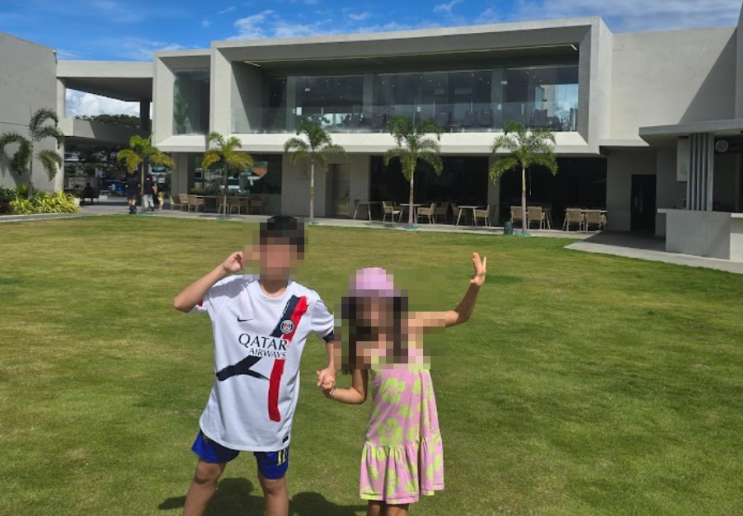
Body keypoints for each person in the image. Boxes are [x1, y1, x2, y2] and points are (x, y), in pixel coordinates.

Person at [173, 216, 337, 516]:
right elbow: (181, 303)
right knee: (205, 473)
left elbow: (332, 333)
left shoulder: (306, 301)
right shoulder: (231, 290)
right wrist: (222, 269)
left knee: (272, 482)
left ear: (296, 257)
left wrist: (332, 367)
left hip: (272, 420)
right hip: (225, 413)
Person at [320, 254, 487, 516]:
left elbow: (459, 314)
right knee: (376, 507)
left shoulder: (412, 324)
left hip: (409, 434)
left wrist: (475, 286)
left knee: (396, 509)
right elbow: (358, 393)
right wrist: (332, 392)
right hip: (382, 435)